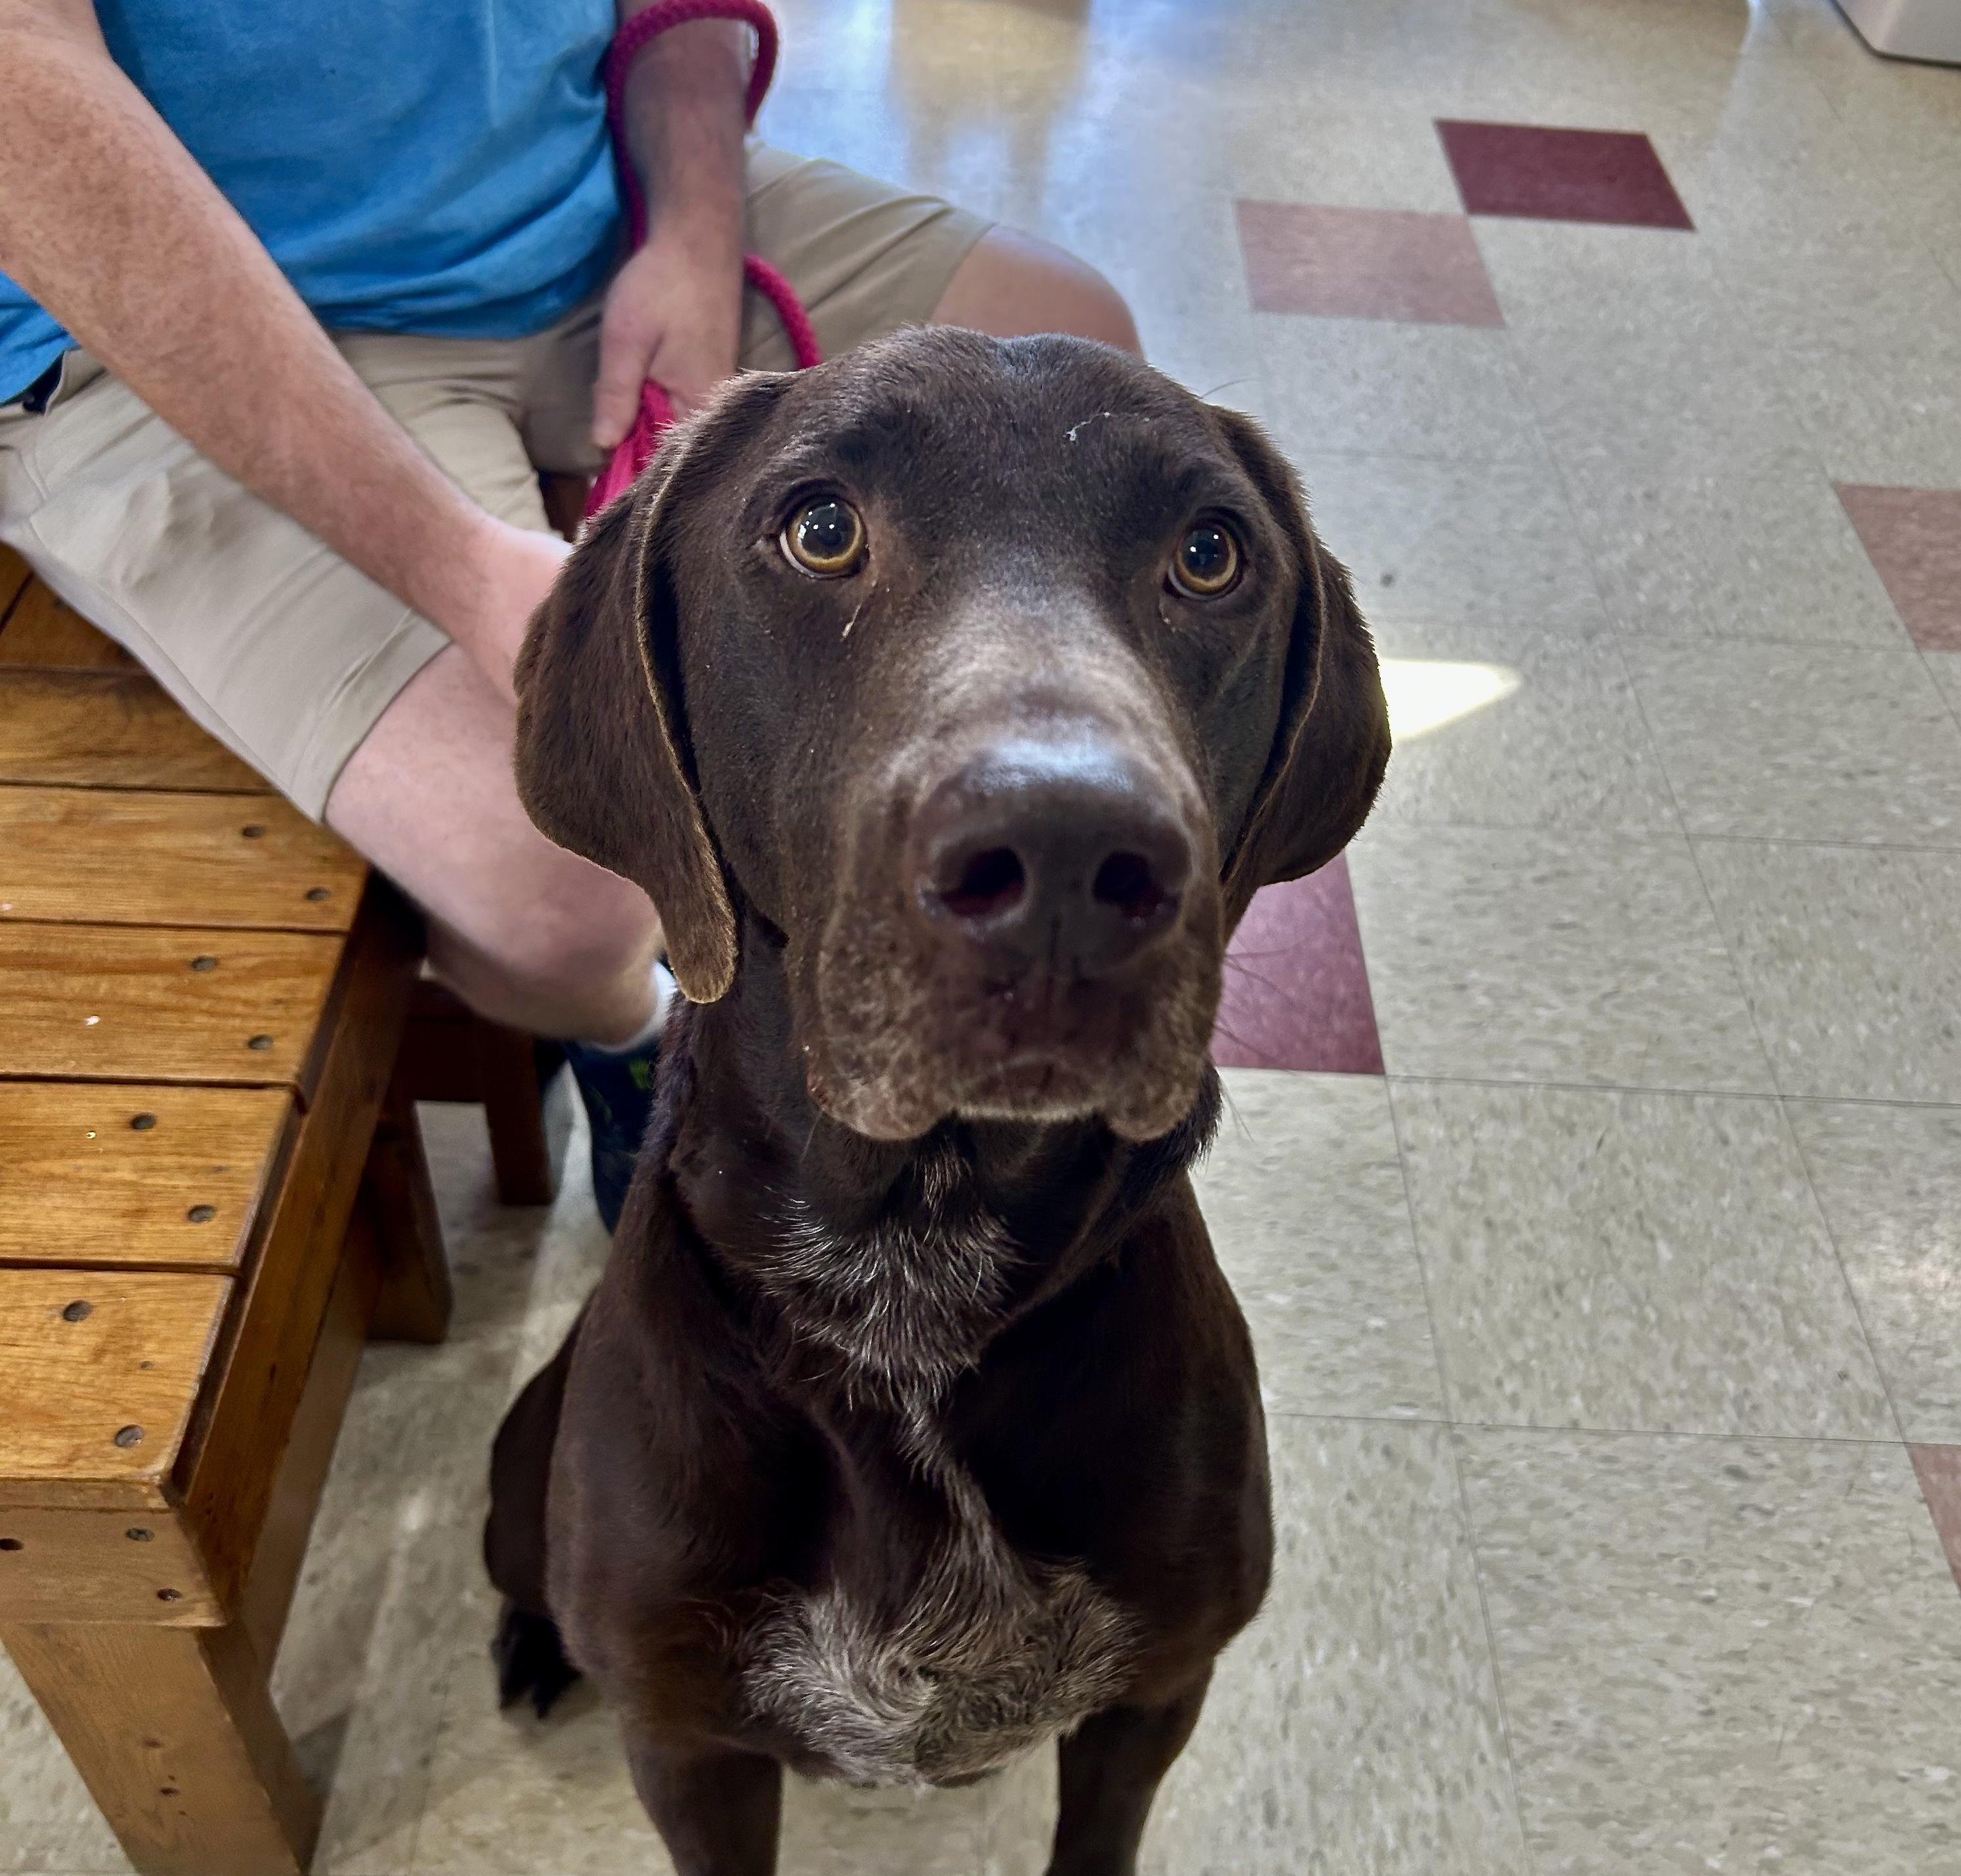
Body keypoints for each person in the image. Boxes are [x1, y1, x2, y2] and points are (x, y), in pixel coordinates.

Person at [0, 0, 1138, 1229]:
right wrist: (467, 573)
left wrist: (695, 223)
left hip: (574, 199)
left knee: (1086, 374)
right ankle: (642, 1039)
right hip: (160, 319)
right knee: (573, 892)